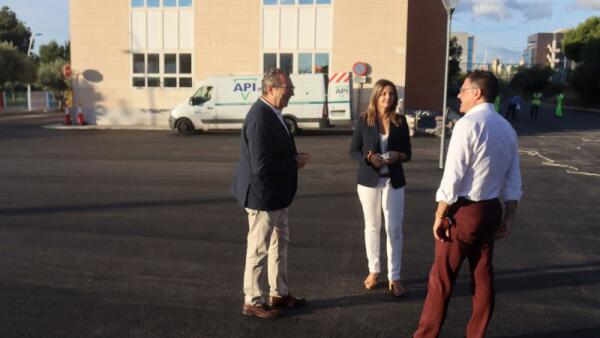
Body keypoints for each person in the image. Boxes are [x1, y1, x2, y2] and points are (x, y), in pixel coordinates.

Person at [413, 70, 522, 338]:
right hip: (491, 210)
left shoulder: (467, 125)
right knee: (482, 277)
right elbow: (514, 179)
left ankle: (425, 335)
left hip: (464, 212)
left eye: (462, 89)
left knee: (441, 279)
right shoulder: (507, 127)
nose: (458, 95)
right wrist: (508, 218)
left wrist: (440, 213)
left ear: (477, 93)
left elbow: (453, 176)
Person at [231, 68, 311, 319]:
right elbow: (261, 167)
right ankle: (252, 300)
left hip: (278, 195)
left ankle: (279, 293)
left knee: (280, 244)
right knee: (258, 249)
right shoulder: (259, 118)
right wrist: (294, 162)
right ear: (271, 89)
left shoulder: (274, 114)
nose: (292, 93)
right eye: (288, 89)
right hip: (263, 196)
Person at [349, 79, 412, 297]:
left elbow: (408, 153)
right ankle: (374, 270)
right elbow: (353, 151)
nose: (388, 97)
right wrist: (368, 157)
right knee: (372, 227)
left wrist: (398, 155)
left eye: (392, 94)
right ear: (376, 95)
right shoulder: (364, 120)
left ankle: (394, 277)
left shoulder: (400, 121)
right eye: (384, 93)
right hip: (368, 182)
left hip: (393, 182)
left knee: (394, 230)